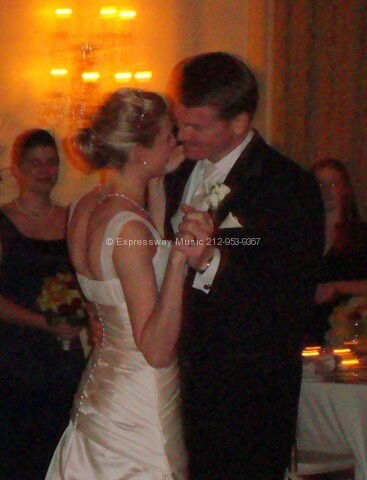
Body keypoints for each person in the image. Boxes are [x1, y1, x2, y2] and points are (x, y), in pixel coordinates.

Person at [164, 52, 325, 479]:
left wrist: (212, 262)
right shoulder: (175, 175)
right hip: (177, 384)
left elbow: (288, 302)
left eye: (196, 126)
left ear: (239, 122)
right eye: (180, 121)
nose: (181, 134)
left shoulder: (287, 187)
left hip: (247, 396)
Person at [46, 88, 189, 479]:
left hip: (104, 385)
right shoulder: (129, 227)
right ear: (140, 150)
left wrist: (157, 182)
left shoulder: (83, 209)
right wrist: (180, 258)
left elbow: (136, 269)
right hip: (140, 398)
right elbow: (156, 349)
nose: (175, 142)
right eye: (166, 137)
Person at [0, 129, 86, 480]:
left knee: (60, 442)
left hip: (63, 353)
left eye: (51, 162)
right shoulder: (2, 221)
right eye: (34, 162)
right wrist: (42, 322)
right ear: (17, 169)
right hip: (13, 353)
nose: (44, 169)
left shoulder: (73, 218)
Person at [308, 158, 367, 344]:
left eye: (333, 183)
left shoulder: (361, 236)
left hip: (348, 339)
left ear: (345, 189)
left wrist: (338, 287)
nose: (325, 190)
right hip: (304, 337)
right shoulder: (297, 236)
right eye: (319, 184)